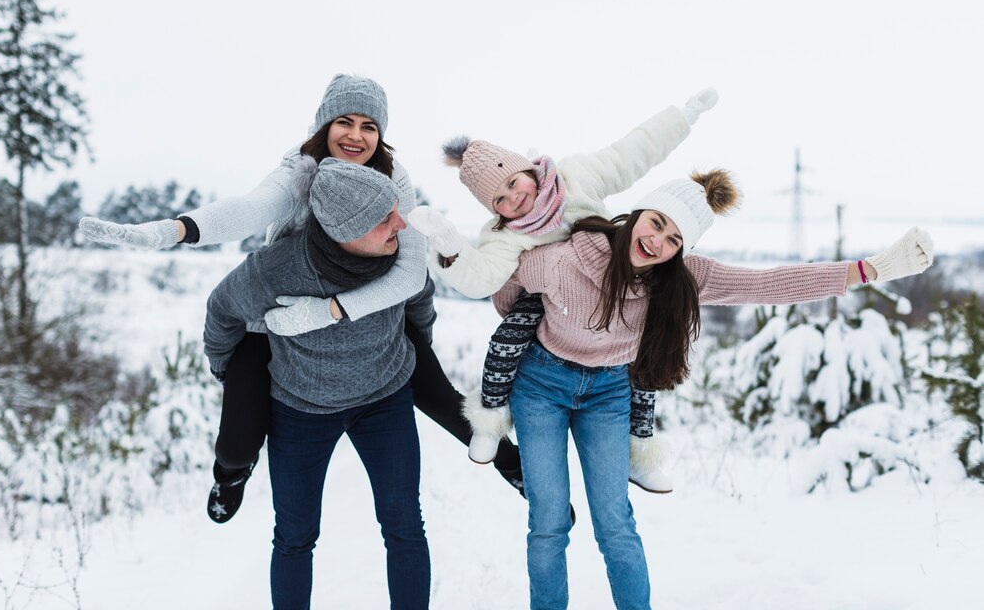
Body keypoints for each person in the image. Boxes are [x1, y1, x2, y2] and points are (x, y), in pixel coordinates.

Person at [78, 74, 525, 524]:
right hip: (284, 304)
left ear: (380, 134)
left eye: (369, 126)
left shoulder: (393, 177)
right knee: (237, 440)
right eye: (344, 122)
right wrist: (173, 231)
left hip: (372, 302)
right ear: (324, 125)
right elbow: (250, 208)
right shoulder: (299, 167)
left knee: (436, 393)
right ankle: (231, 474)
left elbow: (410, 275)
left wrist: (335, 313)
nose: (355, 135)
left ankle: (512, 465)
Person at [483, 169, 933, 609]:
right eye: (657, 223)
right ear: (640, 213)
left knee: (615, 524)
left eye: (674, 240)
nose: (657, 241)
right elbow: (507, 281)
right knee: (548, 521)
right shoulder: (567, 257)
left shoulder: (684, 277)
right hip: (541, 385)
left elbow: (769, 284)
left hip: (608, 393)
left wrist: (869, 269)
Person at [408, 88, 718, 492]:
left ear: (527, 170)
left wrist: (684, 116)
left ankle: (639, 450)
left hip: (615, 282)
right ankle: (491, 418)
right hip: (548, 300)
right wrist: (451, 247)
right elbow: (481, 278)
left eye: (513, 182)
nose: (514, 198)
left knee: (644, 347)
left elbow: (632, 153)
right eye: (500, 199)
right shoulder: (504, 235)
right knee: (509, 336)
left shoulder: (576, 177)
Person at [204, 159, 432, 609]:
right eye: (386, 218)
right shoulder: (277, 269)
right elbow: (222, 306)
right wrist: (223, 364)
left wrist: (420, 339)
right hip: (300, 410)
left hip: (383, 401)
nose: (401, 224)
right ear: (347, 230)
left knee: (405, 525)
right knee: (294, 536)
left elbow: (418, 292)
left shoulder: (397, 254)